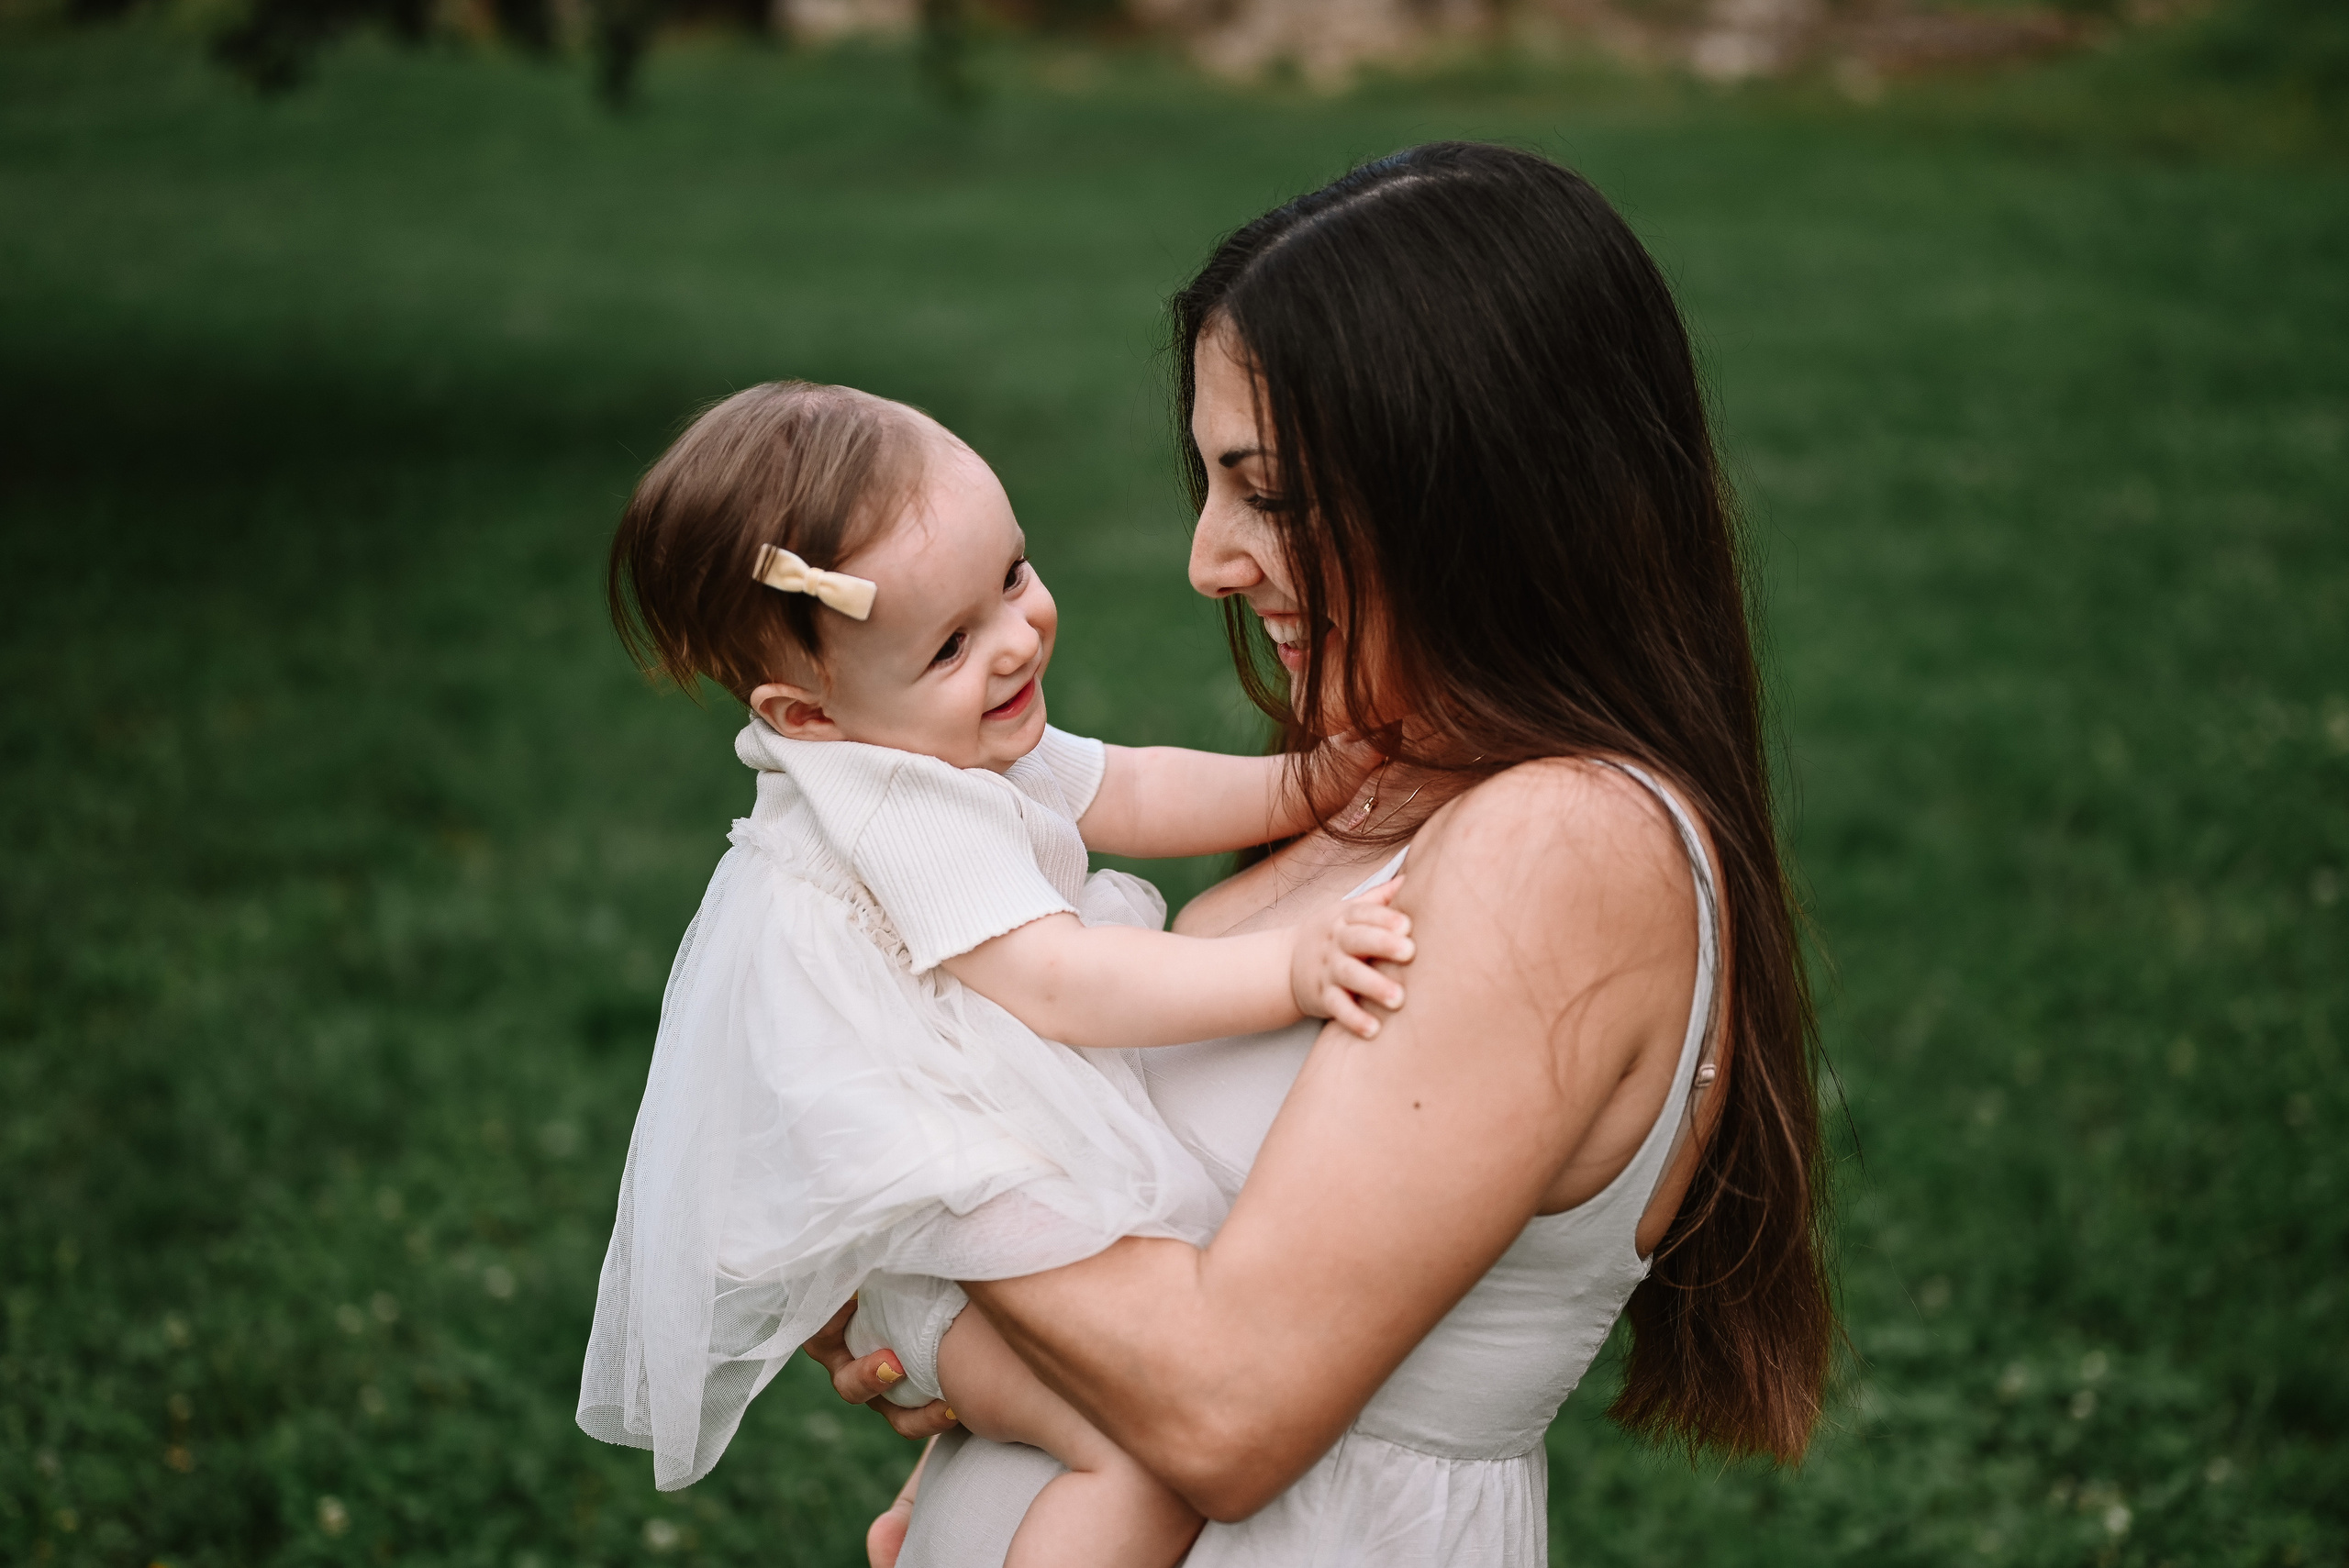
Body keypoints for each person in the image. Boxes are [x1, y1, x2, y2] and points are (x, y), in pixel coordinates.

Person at [805, 140, 1837, 1568]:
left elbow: (1231, 1407)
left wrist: (884, 1164)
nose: (1208, 559)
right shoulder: (1374, 798)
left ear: (1480, 489)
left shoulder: (1567, 843)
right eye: (1213, 485)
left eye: (1269, 491)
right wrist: (936, 1333)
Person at [574, 381, 1418, 1568]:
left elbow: (1127, 785)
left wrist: (1307, 785)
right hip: (944, 1220)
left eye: (1013, 577)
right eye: (954, 642)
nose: (1017, 638)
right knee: (1141, 1445)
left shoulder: (930, 727)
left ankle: (935, 1507)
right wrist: (1293, 968)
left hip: (958, 1218)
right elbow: (1064, 983)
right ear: (803, 714)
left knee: (1087, 1388)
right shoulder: (891, 803)